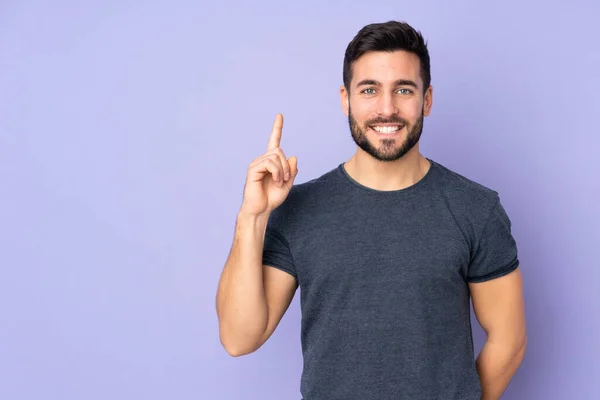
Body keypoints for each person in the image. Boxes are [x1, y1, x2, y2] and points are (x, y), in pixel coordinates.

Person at [216, 20, 527, 400]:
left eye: (403, 89)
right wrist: (253, 217)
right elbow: (238, 337)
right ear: (346, 99)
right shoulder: (298, 209)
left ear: (426, 100)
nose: (387, 108)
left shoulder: (474, 209)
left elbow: (509, 340)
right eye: (369, 90)